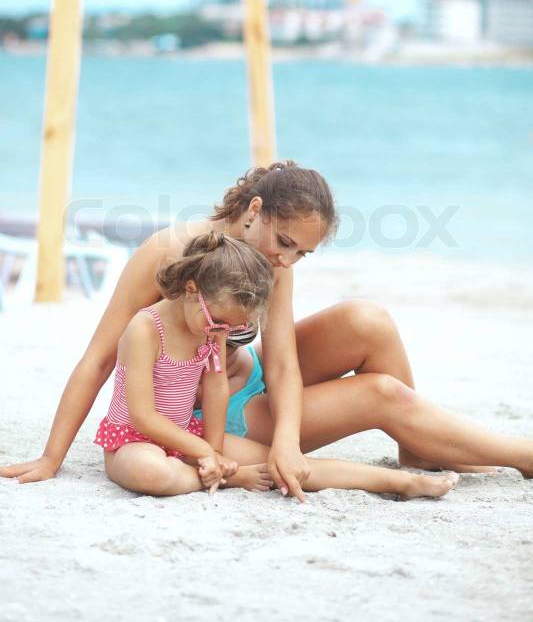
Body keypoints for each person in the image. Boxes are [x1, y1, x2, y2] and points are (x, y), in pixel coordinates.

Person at [2, 161, 532, 499]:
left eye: (303, 253)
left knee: (367, 320)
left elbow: (281, 362)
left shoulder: (277, 266)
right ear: (254, 210)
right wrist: (52, 457)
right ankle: (520, 454)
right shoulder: (171, 253)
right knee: (382, 394)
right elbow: (100, 357)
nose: (287, 260)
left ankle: (416, 445)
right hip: (215, 415)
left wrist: (287, 443)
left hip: (254, 379)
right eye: (284, 242)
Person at [96, 229, 459, 500]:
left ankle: (402, 482)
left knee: (283, 464)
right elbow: (143, 416)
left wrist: (215, 448)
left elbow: (216, 386)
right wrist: (205, 453)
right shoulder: (145, 329)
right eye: (219, 324)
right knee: (151, 473)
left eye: (230, 329)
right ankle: (226, 478)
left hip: (189, 434)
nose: (220, 334)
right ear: (192, 290)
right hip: (133, 439)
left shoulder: (211, 325)